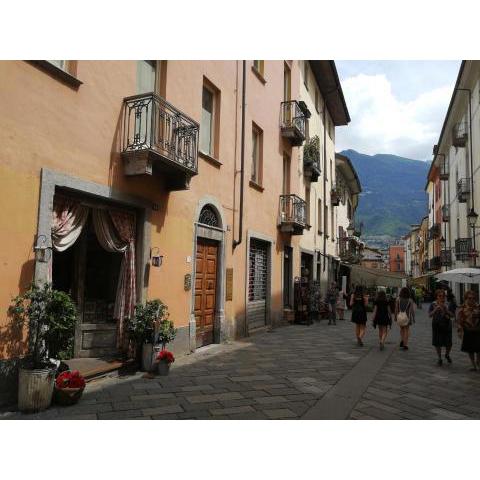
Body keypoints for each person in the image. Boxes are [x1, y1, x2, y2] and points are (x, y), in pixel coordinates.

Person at [428, 289, 454, 366]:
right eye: (440, 296)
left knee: (449, 343)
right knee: (437, 342)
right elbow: (429, 315)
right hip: (436, 325)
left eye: (443, 296)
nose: (442, 297)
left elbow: (452, 315)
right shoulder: (433, 304)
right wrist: (435, 309)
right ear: (437, 297)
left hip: (447, 325)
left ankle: (447, 354)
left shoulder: (448, 304)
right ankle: (439, 358)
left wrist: (446, 311)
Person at [456, 290, 480, 371]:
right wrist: (460, 330)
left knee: (478, 349)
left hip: (478, 330)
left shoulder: (478, 307)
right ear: (466, 298)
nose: (471, 300)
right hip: (468, 331)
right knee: (470, 349)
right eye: (469, 298)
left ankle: (478, 360)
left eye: (473, 298)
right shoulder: (462, 308)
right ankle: (473, 365)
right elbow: (459, 321)